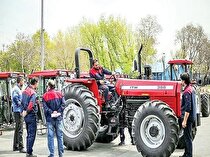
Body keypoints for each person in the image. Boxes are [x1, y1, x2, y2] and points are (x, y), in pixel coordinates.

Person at [42, 79, 65, 157]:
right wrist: (57, 111)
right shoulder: (60, 94)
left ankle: (52, 154)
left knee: (50, 137)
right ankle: (61, 154)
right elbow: (63, 104)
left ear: (48, 86)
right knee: (60, 136)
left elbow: (45, 108)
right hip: (58, 118)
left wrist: (52, 112)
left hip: (50, 119)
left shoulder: (45, 96)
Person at [22, 77, 39, 157]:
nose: (37, 84)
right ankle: (29, 152)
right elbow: (31, 104)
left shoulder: (25, 90)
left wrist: (24, 111)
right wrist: (28, 111)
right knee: (32, 134)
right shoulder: (33, 92)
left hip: (26, 115)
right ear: (35, 83)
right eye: (37, 83)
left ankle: (28, 151)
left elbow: (22, 102)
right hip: (31, 115)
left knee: (29, 134)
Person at [180, 73, 195, 157]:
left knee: (188, 137)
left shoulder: (186, 91)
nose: (180, 81)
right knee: (186, 137)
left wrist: (184, 121)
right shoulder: (190, 88)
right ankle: (186, 153)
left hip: (188, 118)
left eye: (181, 80)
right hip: (190, 117)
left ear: (183, 81)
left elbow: (188, 108)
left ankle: (189, 155)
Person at [12, 76, 26, 153]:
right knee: (20, 129)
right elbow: (15, 98)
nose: (23, 82)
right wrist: (20, 104)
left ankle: (15, 146)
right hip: (18, 111)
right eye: (22, 81)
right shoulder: (16, 89)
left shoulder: (18, 88)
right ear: (19, 81)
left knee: (17, 129)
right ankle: (21, 147)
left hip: (17, 110)